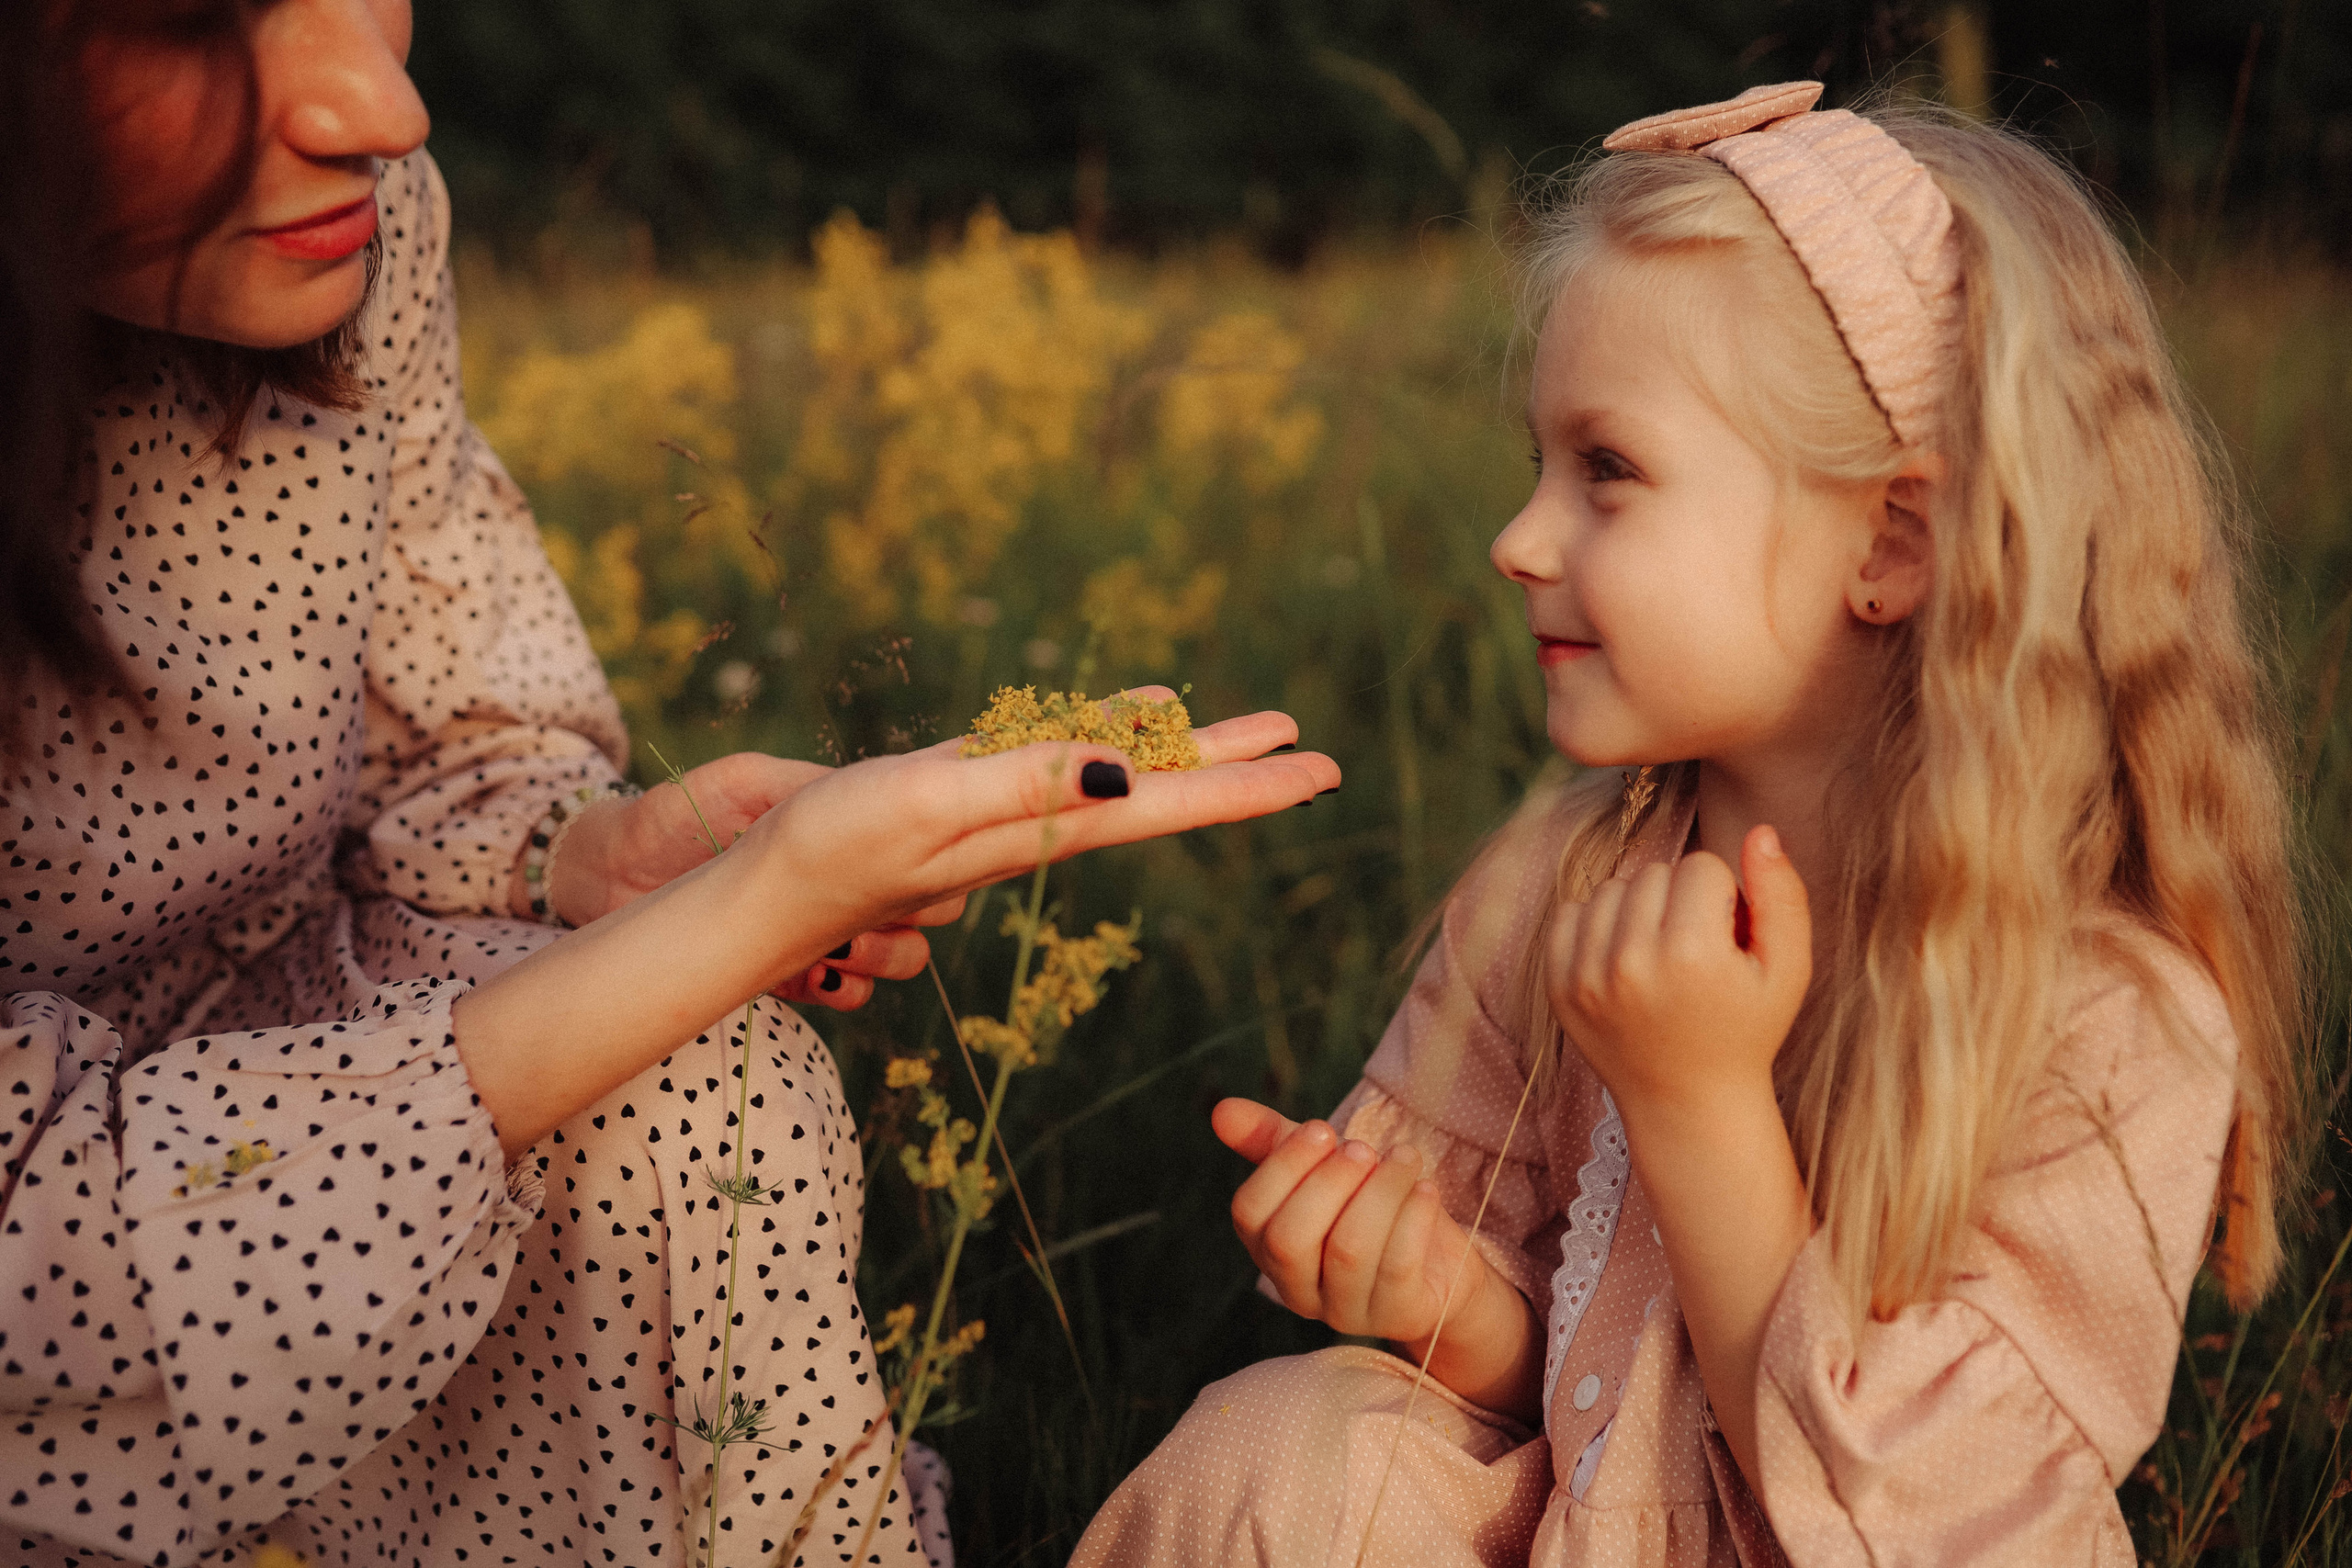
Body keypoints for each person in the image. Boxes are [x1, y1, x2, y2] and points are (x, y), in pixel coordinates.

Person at [0, 4, 1340, 1566]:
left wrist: (591, 859)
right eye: (184, 23)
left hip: (292, 1066)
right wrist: (761, 902)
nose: (383, 110)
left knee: (706, 1077)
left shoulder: (339, 227)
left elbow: (455, 727)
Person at [1071, 82, 2306, 1566]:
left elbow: (1951, 1522)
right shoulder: (1565, 880)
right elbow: (1588, 1395)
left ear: (1890, 544)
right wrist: (1446, 1311)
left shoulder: (2106, 1016)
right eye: (1540, 465)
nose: (1518, 541)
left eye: (1608, 471)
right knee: (1279, 1454)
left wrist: (1701, 1102)